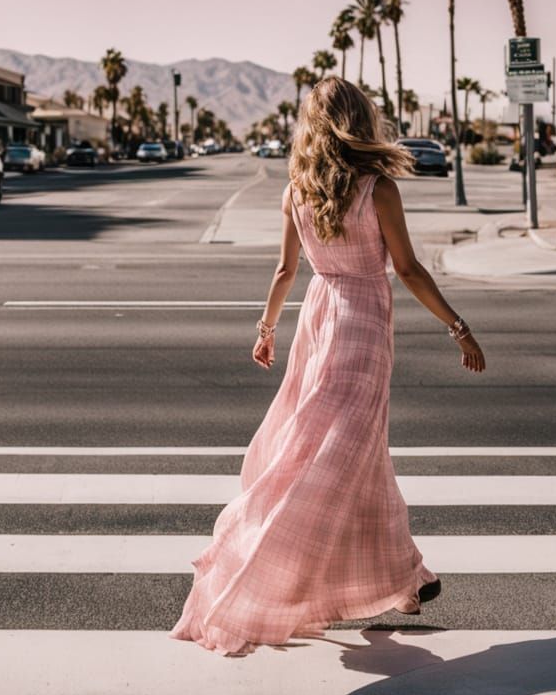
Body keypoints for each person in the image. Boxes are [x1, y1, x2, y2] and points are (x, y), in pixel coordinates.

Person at [169, 76, 485, 657]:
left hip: (319, 320)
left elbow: (285, 271)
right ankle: (260, 573)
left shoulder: (297, 189)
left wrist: (266, 330)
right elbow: (409, 270)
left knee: (352, 454)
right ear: (360, 121)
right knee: (337, 456)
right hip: (361, 323)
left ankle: (403, 578)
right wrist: (458, 327)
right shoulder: (378, 188)